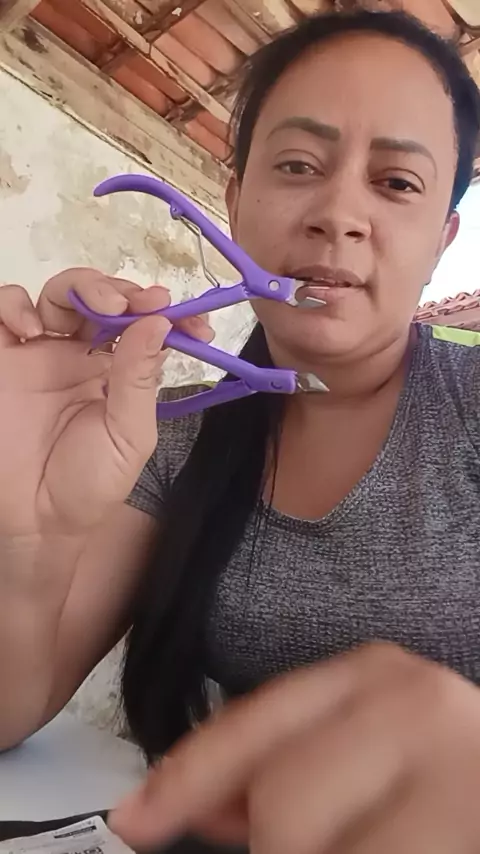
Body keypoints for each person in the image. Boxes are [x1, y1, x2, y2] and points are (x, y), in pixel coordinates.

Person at [1, 6, 480, 851]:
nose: (338, 212)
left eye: (397, 182)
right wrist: (27, 534)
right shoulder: (164, 441)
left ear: (441, 240)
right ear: (233, 202)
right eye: (298, 165)